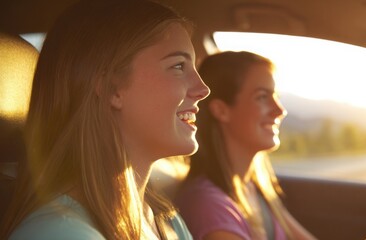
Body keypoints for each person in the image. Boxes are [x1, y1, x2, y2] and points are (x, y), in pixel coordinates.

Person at [0, 0, 209, 239]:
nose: (203, 89)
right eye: (178, 66)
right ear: (111, 88)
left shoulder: (165, 220)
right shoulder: (60, 232)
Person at [174, 51, 316, 240]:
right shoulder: (209, 206)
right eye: (262, 97)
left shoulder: (253, 187)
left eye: (276, 96)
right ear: (221, 110)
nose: (280, 110)